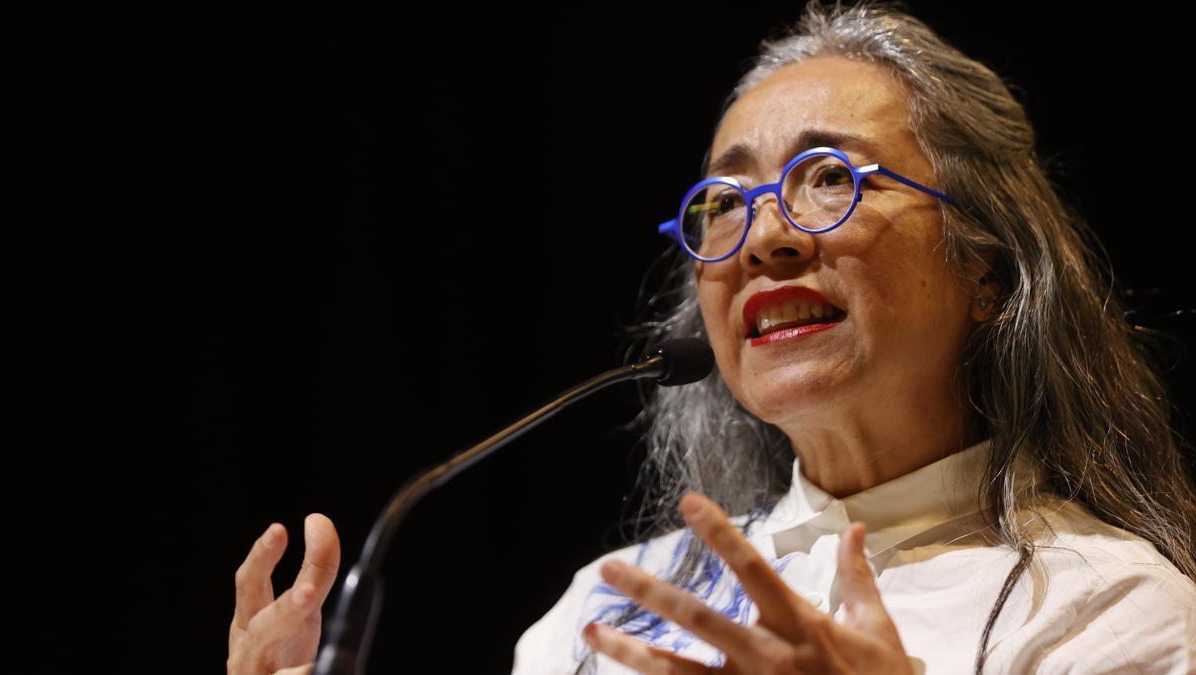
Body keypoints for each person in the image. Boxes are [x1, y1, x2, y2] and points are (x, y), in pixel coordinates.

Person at [227, 2, 1196, 674]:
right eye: (728, 198)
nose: (766, 236)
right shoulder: (610, 608)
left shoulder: (1107, 611)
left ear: (986, 267)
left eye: (830, 178)